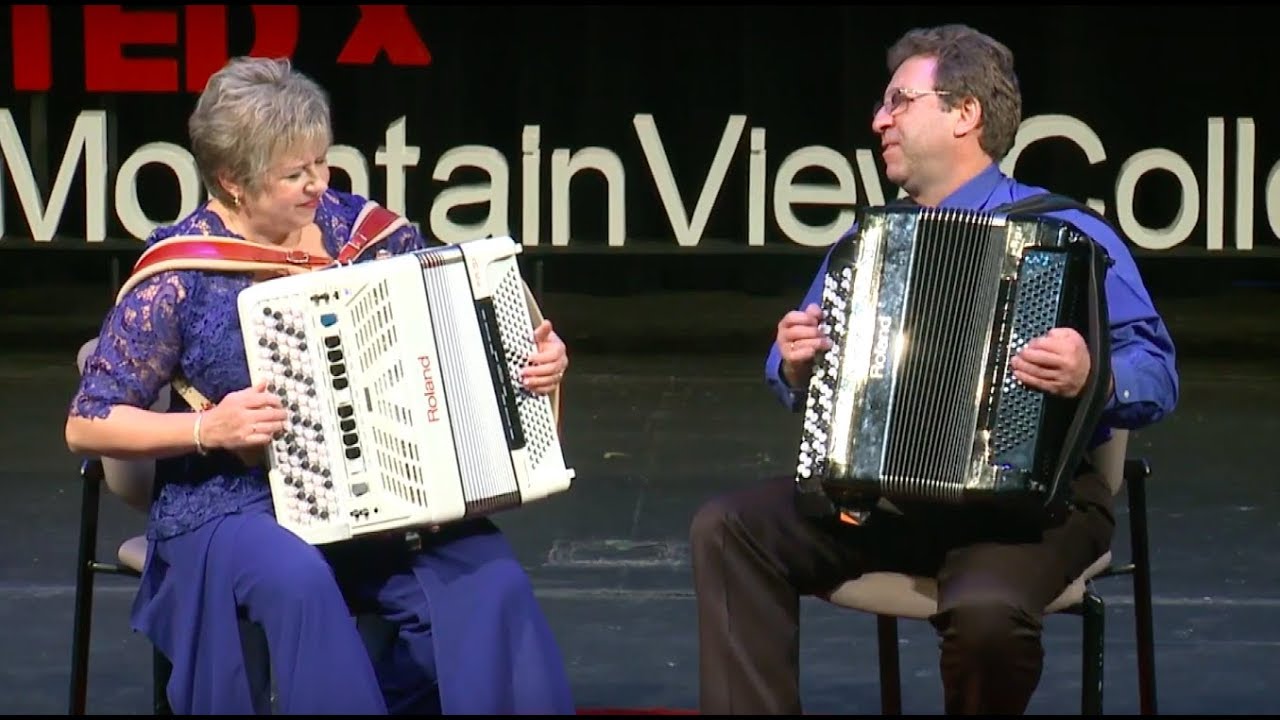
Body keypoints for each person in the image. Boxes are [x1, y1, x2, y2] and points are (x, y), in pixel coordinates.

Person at [689, 23, 1179, 715]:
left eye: (898, 101)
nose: (878, 119)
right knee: (730, 528)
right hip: (888, 499)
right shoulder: (869, 243)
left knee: (985, 615)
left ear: (964, 113)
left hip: (1032, 509)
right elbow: (789, 362)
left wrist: (1091, 375)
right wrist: (796, 365)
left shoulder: (1069, 235)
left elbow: (1157, 372)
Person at [65, 56, 575, 715]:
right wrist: (206, 427)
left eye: (321, 162)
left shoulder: (361, 234)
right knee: (300, 581)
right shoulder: (178, 273)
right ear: (233, 182)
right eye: (294, 173)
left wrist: (529, 361)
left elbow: (454, 336)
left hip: (378, 492)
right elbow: (89, 422)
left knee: (491, 581)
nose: (317, 184)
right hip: (229, 501)